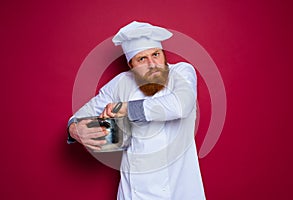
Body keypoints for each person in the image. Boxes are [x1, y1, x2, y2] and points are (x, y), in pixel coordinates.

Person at [67, 21, 206, 200]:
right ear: (131, 66)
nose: (152, 63)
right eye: (142, 59)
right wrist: (74, 129)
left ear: (163, 56)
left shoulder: (182, 72)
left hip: (178, 191)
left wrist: (124, 108)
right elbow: (78, 117)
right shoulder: (121, 83)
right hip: (132, 192)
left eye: (156, 54)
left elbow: (180, 106)